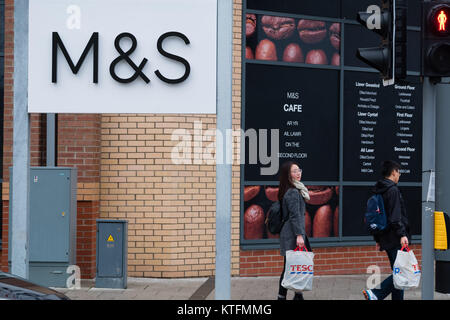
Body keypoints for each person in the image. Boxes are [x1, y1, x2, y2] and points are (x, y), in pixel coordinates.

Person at [363, 160, 411, 300]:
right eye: (399, 172)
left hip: (385, 237)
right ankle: (375, 293)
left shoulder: (379, 189)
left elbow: (377, 216)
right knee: (401, 272)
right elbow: (395, 217)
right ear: (393, 172)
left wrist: (378, 239)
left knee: (398, 274)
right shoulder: (393, 190)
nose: (400, 175)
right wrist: (402, 234)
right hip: (395, 237)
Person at [277, 161, 311, 300]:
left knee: (296, 265)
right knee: (290, 266)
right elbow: (295, 215)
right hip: (292, 234)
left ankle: (298, 295)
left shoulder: (295, 189)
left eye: (299, 170)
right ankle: (282, 296)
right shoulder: (292, 192)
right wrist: (299, 235)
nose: (298, 173)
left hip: (293, 232)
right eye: (294, 171)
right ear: (288, 175)